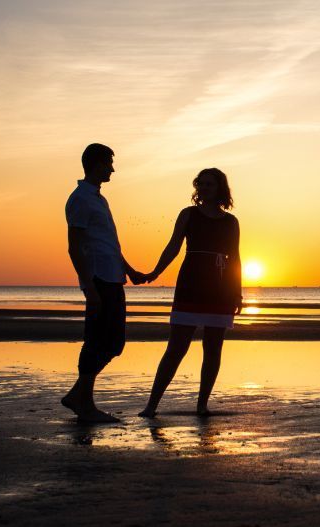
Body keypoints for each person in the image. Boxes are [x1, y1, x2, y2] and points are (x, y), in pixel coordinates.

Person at [139, 167, 242, 417]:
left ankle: (202, 405)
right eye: (201, 184)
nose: (205, 188)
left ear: (220, 188)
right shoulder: (188, 214)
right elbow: (173, 246)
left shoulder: (231, 221)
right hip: (191, 283)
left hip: (220, 287)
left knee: (213, 349)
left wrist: (237, 292)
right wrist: (154, 272)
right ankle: (151, 406)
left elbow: (236, 257)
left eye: (210, 184)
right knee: (176, 348)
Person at [61, 143, 146, 422]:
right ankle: (84, 402)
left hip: (113, 277)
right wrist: (89, 287)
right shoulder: (80, 199)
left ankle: (79, 395)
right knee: (97, 341)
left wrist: (130, 270)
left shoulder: (99, 199)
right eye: (109, 163)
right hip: (98, 279)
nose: (112, 168)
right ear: (96, 164)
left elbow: (109, 244)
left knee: (113, 343)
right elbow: (75, 247)